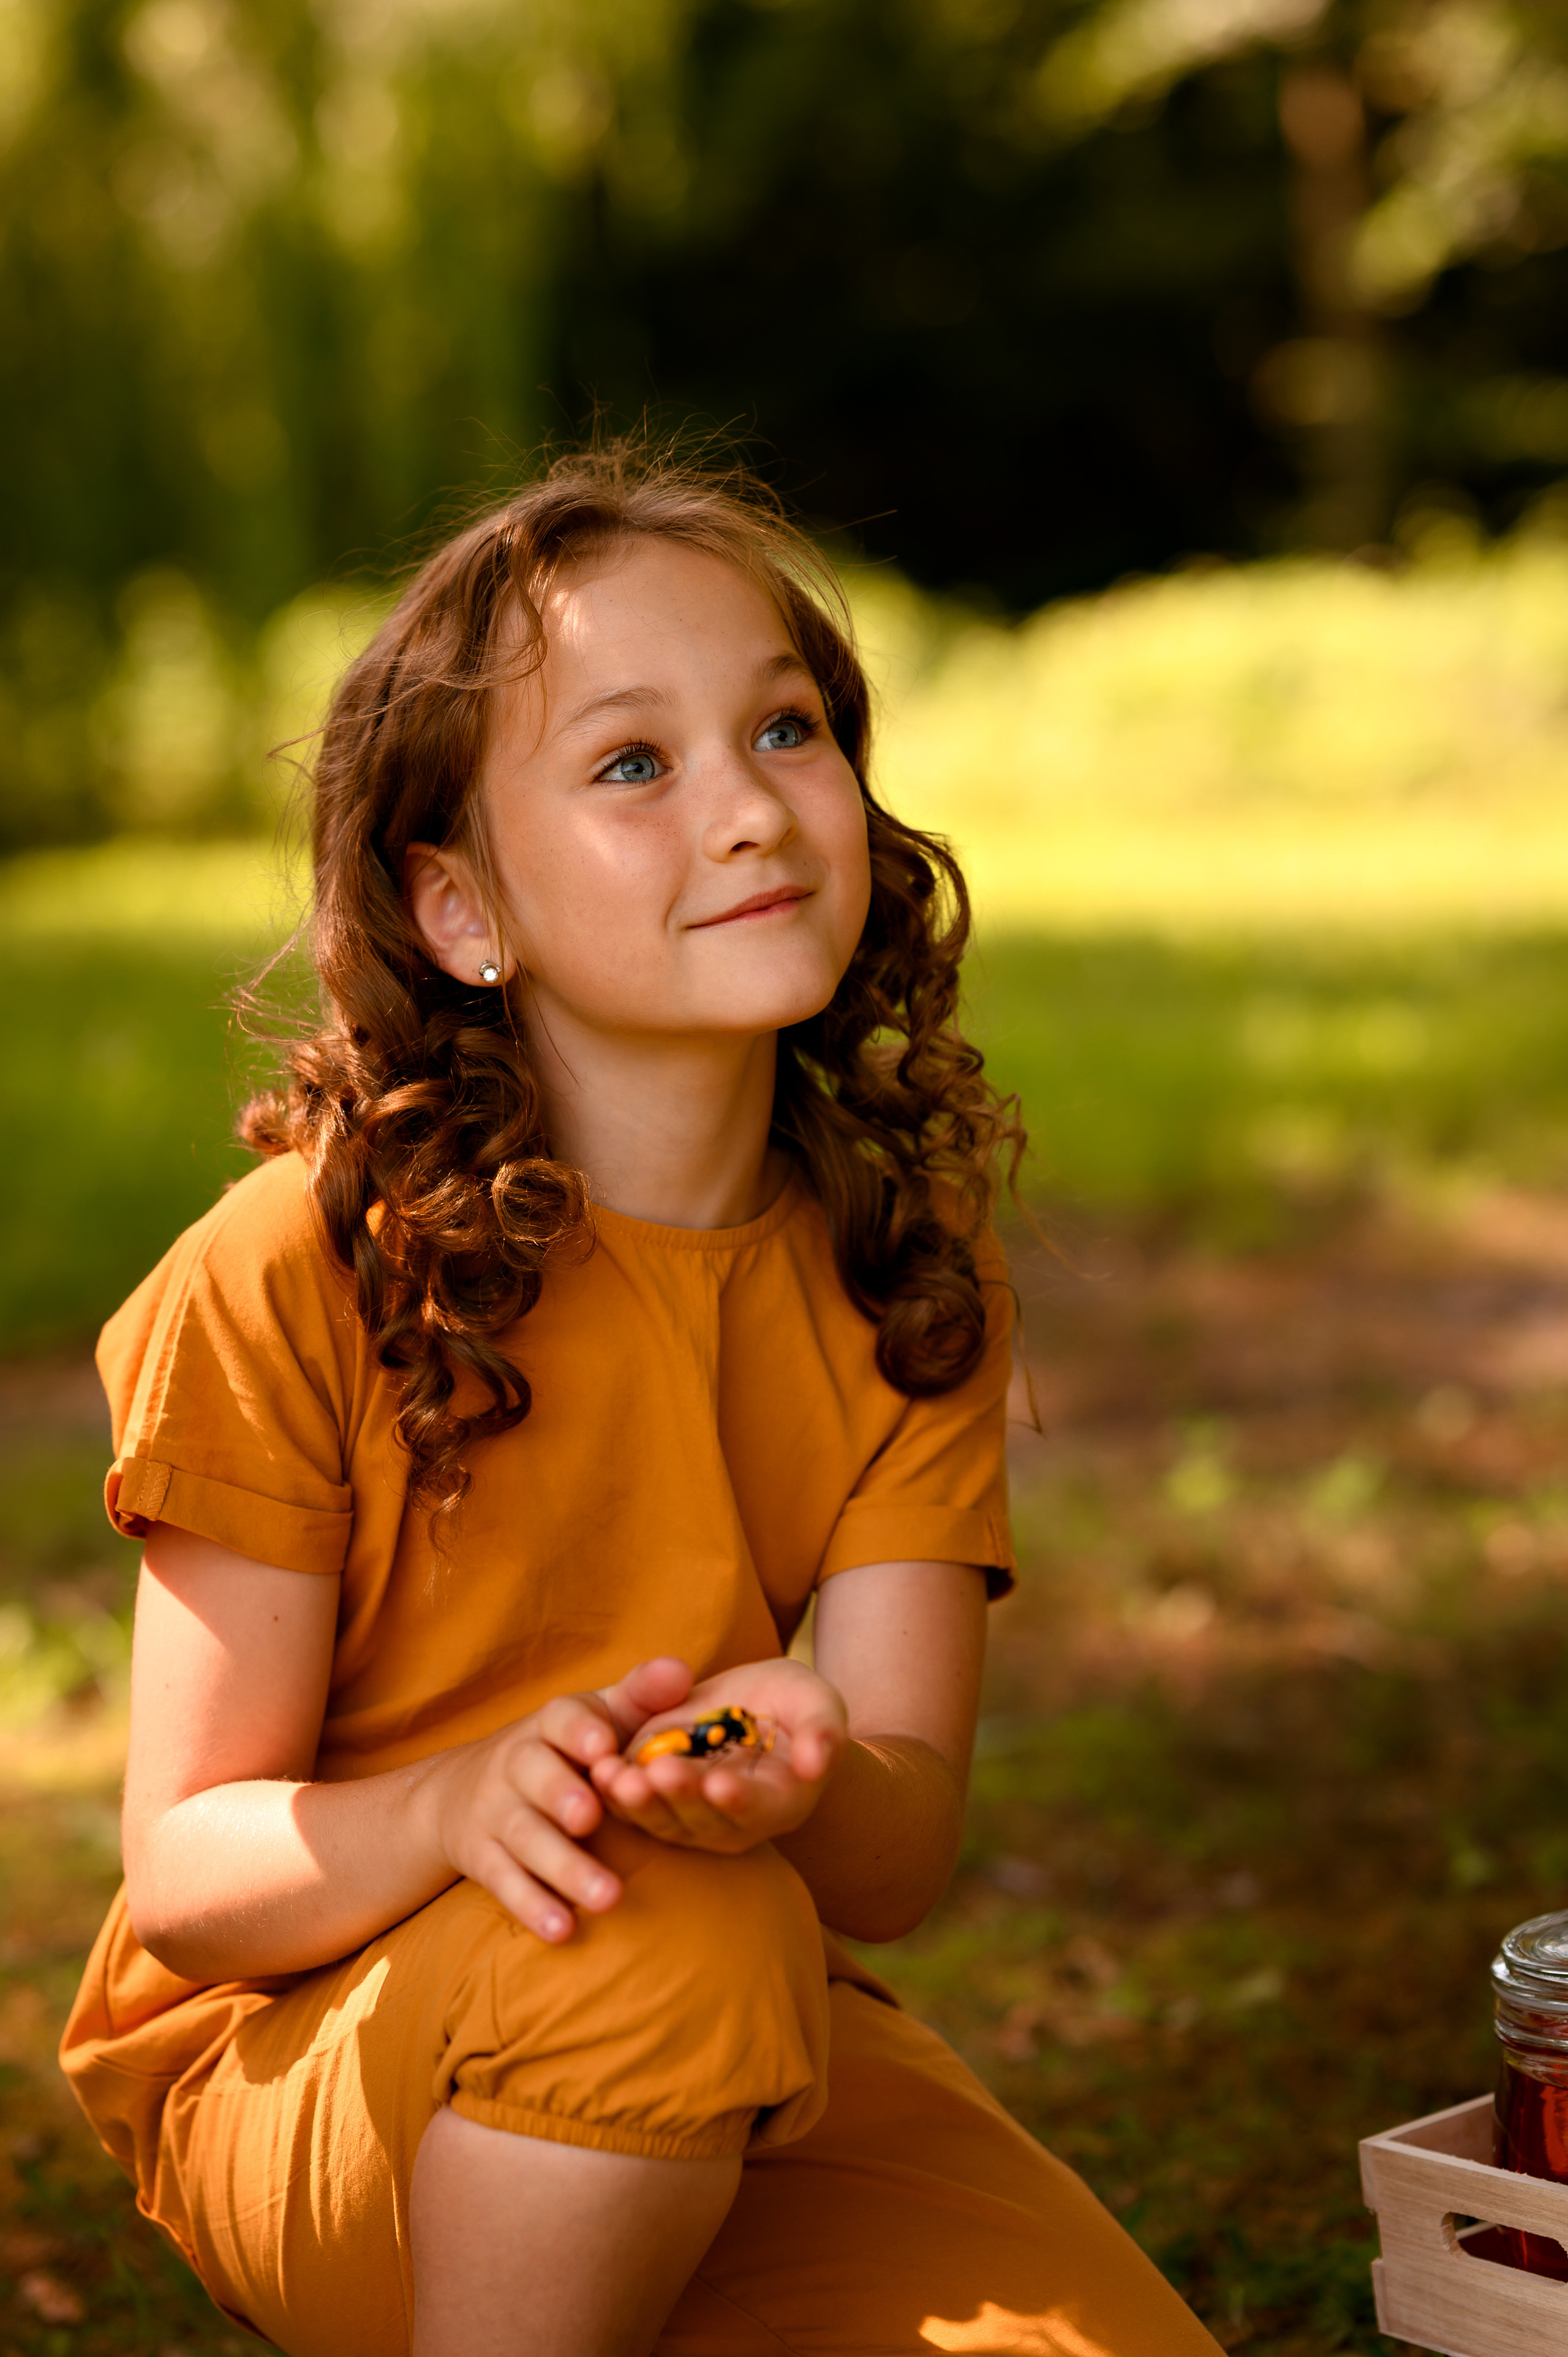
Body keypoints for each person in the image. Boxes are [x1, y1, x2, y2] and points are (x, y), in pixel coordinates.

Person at [60, 445, 1223, 2357]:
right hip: (305, 2056)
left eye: (785, 728)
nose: (753, 812)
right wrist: (450, 1807)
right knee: (667, 1936)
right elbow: (190, 1877)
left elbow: (898, 1857)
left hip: (714, 2026)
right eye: (631, 765)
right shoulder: (293, 1268)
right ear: (458, 912)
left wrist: (809, 1772)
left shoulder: (898, 1263)